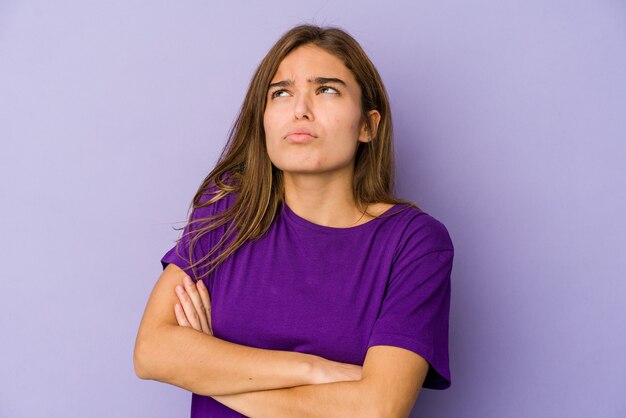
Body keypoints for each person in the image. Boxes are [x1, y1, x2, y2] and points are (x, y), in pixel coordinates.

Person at [134, 23, 454, 418]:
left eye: (326, 89)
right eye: (281, 93)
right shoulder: (228, 212)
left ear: (368, 126)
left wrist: (208, 370)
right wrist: (313, 370)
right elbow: (151, 352)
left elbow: (378, 409)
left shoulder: (416, 242)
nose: (300, 109)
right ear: (264, 118)